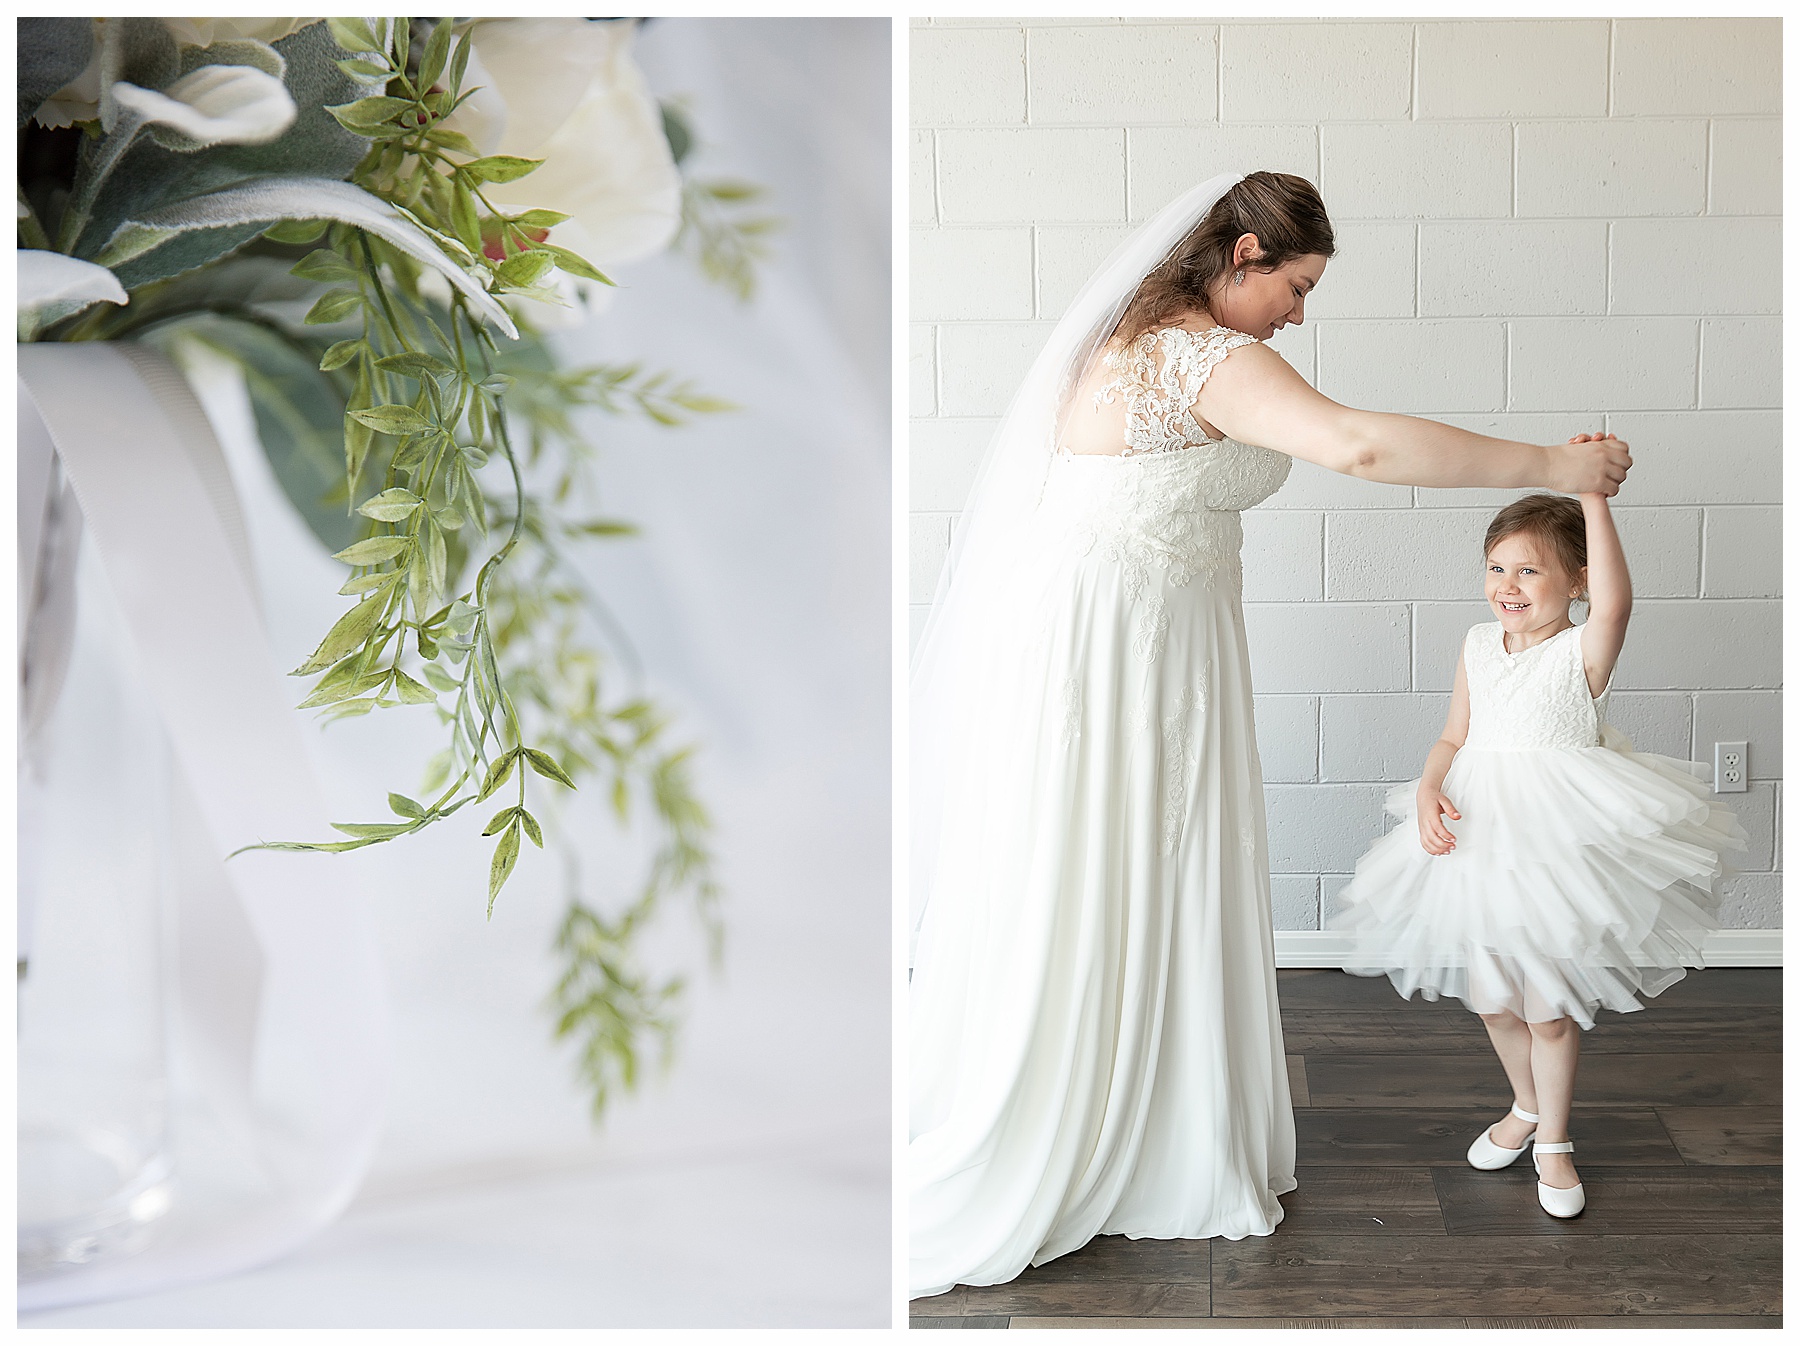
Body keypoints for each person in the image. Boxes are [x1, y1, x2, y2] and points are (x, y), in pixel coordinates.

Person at [907, 171, 1635, 1300]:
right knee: (1124, 857)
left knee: (1112, 862)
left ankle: (1130, 1108)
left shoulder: (1137, 335)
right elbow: (1356, 445)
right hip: (1132, 639)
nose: (1298, 313)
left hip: (1130, 624)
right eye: (1295, 287)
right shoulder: (1199, 352)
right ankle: (1113, 1121)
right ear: (1243, 254)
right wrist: (1550, 468)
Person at [1328, 483, 1745, 1218]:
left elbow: (1618, 604)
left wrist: (1594, 500)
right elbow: (1454, 734)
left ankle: (1552, 1140)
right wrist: (1429, 788)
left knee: (1547, 1008)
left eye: (1529, 571)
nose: (1507, 586)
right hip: (1477, 834)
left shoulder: (1582, 651)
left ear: (1576, 582)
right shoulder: (1477, 643)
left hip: (1553, 841)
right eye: (1496, 568)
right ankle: (1522, 1106)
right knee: (1492, 999)